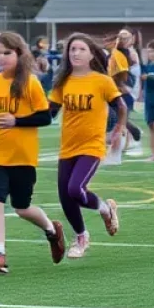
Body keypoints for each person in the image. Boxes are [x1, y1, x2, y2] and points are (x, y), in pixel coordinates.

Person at [0, 31, 65, 274]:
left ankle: (52, 230)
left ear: (19, 54)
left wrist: (17, 121)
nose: (1, 58)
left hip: (23, 156)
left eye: (7, 53)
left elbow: (45, 116)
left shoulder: (29, 82)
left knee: (22, 207)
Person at [48, 34, 125, 259]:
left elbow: (120, 107)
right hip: (68, 147)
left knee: (75, 189)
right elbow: (49, 112)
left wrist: (117, 130)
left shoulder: (102, 81)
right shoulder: (64, 81)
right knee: (65, 196)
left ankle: (105, 209)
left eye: (81, 49)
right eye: (72, 49)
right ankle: (81, 236)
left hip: (91, 146)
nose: (76, 53)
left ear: (91, 54)